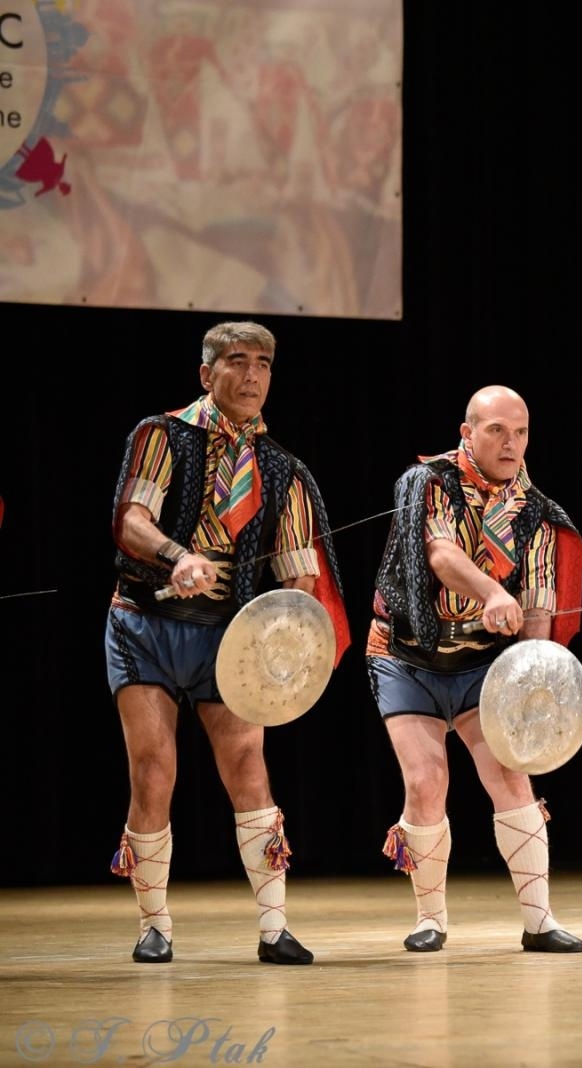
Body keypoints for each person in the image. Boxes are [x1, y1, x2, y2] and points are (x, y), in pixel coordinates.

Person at [105, 321, 347, 965]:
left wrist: (289, 635)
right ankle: (153, 926)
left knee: (248, 768)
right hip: (146, 626)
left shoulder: (284, 471)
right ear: (206, 374)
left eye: (263, 364)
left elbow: (298, 574)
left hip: (228, 637)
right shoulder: (162, 436)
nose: (252, 376)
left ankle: (274, 927)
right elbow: (131, 522)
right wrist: (178, 557)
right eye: (237, 362)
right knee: (154, 771)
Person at [369, 386, 582, 954]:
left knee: (511, 777)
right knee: (425, 779)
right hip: (405, 655)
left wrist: (531, 673)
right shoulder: (428, 483)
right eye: (496, 430)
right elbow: (440, 555)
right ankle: (429, 918)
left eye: (520, 432)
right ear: (467, 433)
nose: (510, 443)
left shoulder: (538, 511)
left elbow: (539, 601)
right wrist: (492, 591)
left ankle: (539, 921)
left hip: (479, 664)